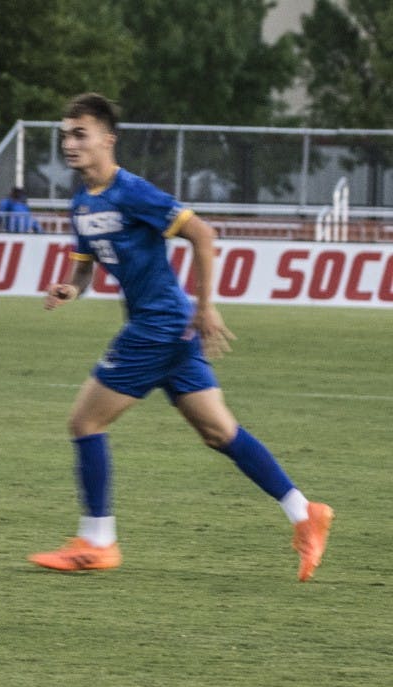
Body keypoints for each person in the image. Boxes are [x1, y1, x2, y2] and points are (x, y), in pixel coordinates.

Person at [27, 93, 333, 582]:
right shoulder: (82, 202)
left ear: (108, 138)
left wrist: (206, 304)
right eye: (65, 134)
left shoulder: (133, 191)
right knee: (219, 432)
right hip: (169, 330)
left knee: (84, 422)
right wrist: (70, 287)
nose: (69, 143)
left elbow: (204, 235)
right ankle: (304, 512)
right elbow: (84, 267)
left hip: (157, 326)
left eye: (80, 133)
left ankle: (98, 541)